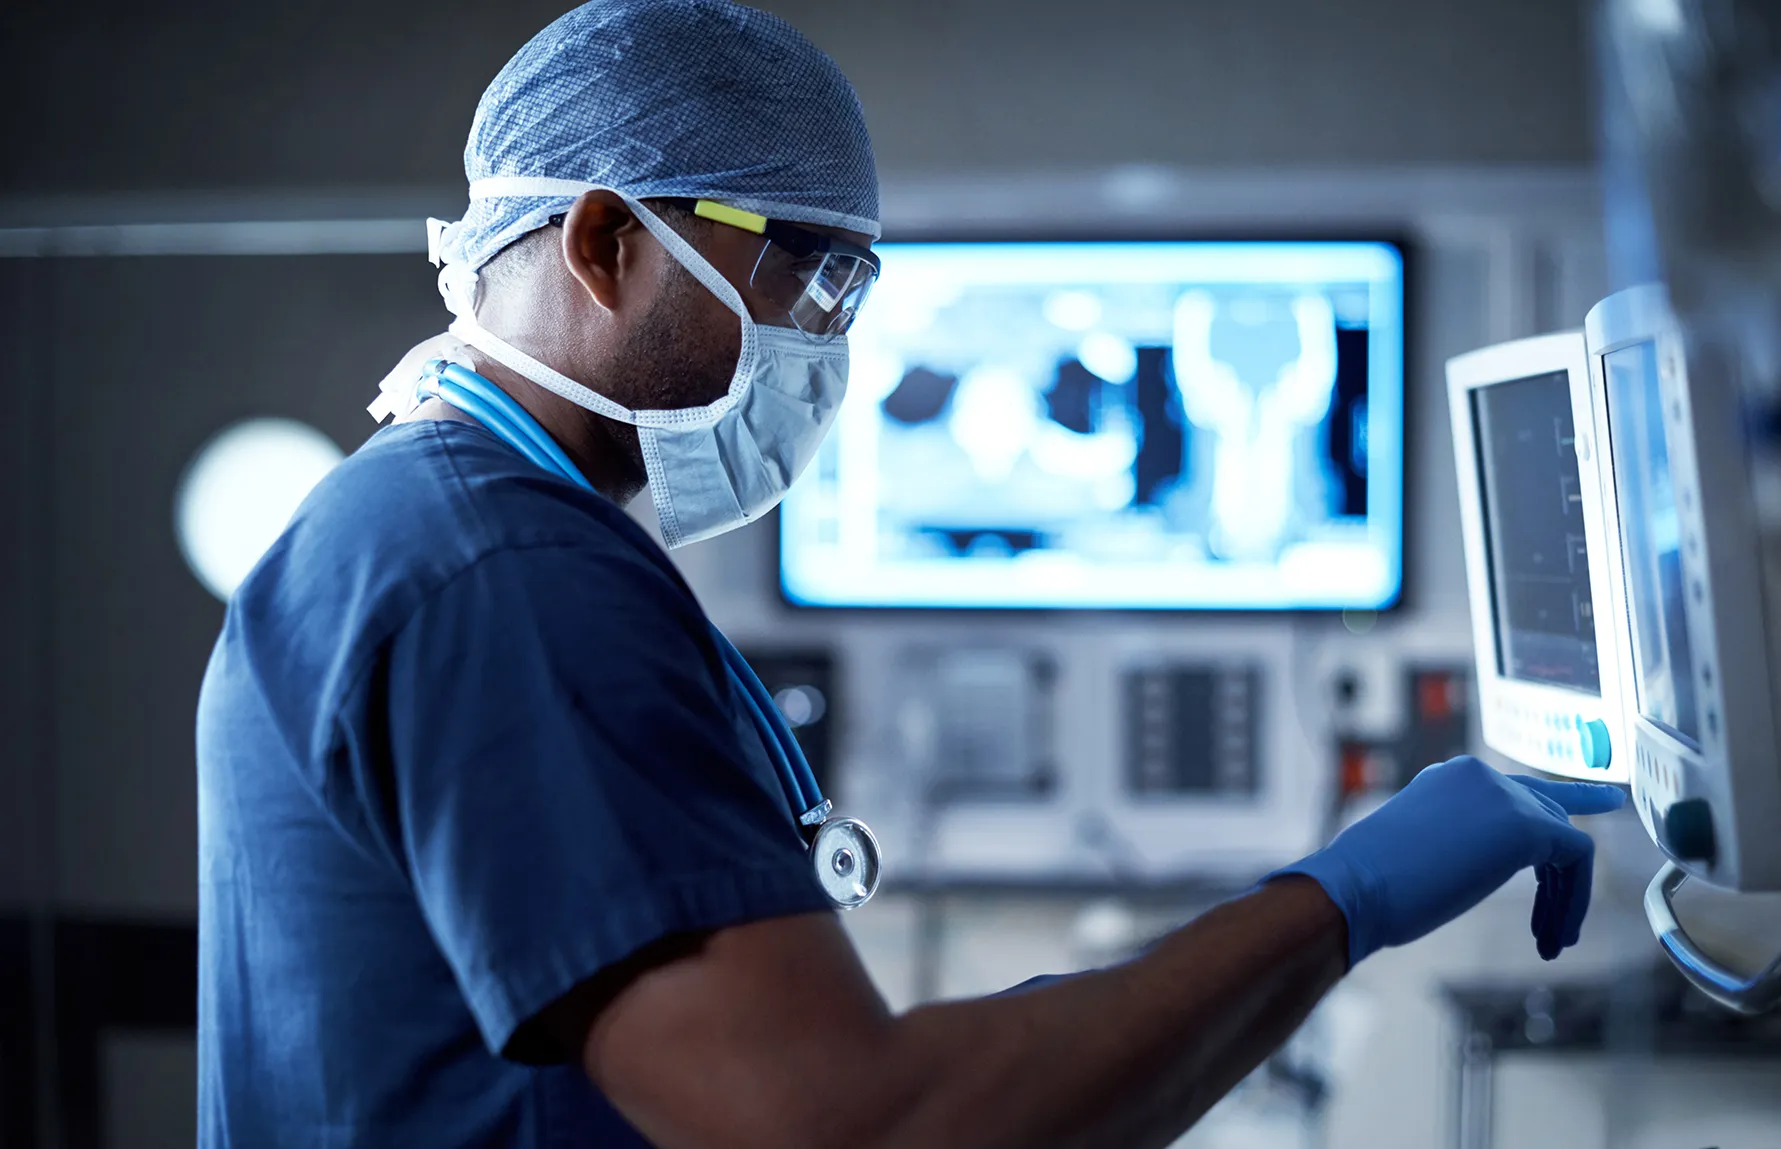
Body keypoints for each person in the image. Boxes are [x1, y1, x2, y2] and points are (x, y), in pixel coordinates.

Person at [194, 2, 1626, 1146]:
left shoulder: (418, 527)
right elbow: (858, 1125)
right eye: (809, 276)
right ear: (606, 239)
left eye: (856, 293)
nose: (832, 348)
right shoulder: (504, 573)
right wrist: (1348, 899)